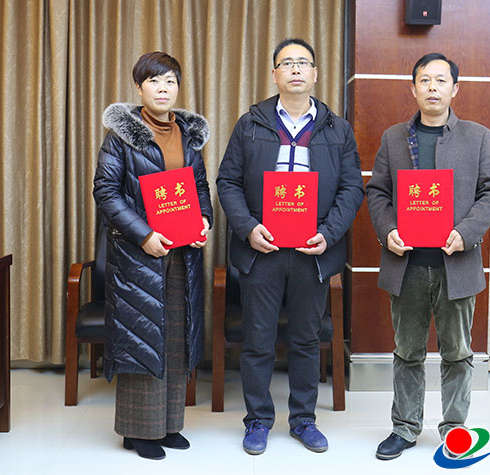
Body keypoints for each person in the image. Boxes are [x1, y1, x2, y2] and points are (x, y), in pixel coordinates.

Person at [217, 38, 364, 455]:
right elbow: (227, 182)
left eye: (303, 62)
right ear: (275, 74)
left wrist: (329, 233)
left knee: (305, 340)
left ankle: (303, 419)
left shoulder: (337, 128)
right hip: (261, 250)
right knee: (258, 340)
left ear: (315, 73)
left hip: (312, 252)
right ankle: (258, 420)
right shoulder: (250, 124)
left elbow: (353, 187)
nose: (295, 69)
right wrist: (248, 229)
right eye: (287, 63)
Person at [366, 53, 490, 460]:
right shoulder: (394, 138)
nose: (432, 87)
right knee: (406, 351)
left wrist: (466, 233)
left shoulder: (477, 136)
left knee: (458, 353)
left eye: (440, 80)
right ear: (413, 88)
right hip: (407, 265)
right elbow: (377, 192)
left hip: (456, 263)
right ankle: (405, 428)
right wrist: (387, 230)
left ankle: (455, 430)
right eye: (424, 80)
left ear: (454, 89)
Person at [93, 51, 212, 460]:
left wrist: (204, 220)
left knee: (176, 337)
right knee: (141, 338)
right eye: (154, 81)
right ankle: (139, 430)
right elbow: (106, 192)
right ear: (139, 88)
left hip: (182, 255)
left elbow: (199, 187)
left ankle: (168, 424)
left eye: (170, 81)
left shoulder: (188, 136)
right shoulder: (120, 138)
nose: (163, 89)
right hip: (138, 257)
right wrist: (144, 235)